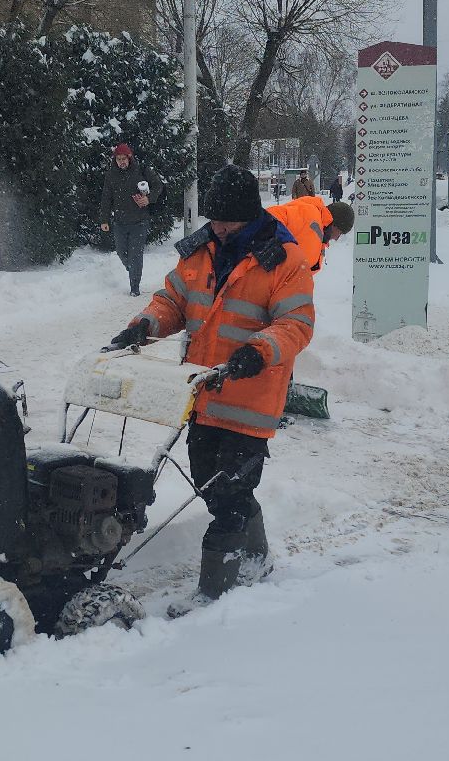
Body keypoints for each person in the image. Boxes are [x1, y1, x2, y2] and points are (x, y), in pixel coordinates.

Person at [103, 163, 315, 612]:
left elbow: (296, 324)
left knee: (229, 494)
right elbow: (173, 301)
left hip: (251, 397)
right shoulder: (200, 252)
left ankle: (215, 593)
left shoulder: (284, 260)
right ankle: (256, 558)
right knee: (209, 484)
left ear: (249, 215)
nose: (218, 228)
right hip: (203, 393)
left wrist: (258, 350)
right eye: (213, 219)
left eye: (227, 221)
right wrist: (145, 324)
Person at [96, 143, 165, 296]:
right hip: (120, 222)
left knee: (136, 254)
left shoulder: (141, 171)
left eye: (124, 159)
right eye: (118, 159)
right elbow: (106, 198)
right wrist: (104, 220)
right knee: (121, 252)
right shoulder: (111, 175)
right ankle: (132, 268)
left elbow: (158, 186)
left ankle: (135, 287)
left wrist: (148, 199)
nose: (121, 162)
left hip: (140, 221)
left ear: (129, 158)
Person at [268, 194, 353, 273]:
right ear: (335, 225)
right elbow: (270, 217)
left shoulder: (321, 238)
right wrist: (269, 248)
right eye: (340, 233)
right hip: (264, 280)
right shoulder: (310, 215)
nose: (337, 238)